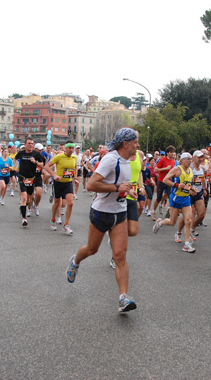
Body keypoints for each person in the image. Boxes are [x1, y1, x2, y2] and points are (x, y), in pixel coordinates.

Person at [66, 128, 140, 313]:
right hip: (102, 212)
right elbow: (91, 185)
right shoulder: (110, 159)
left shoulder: (126, 160)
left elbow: (120, 185)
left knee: (120, 255)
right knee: (92, 249)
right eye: (136, 142)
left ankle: (123, 298)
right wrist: (117, 187)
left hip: (120, 212)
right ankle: (75, 261)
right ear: (126, 144)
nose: (138, 146)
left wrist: (126, 190)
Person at [153, 152, 197, 253]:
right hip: (176, 198)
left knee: (188, 220)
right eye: (188, 159)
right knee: (172, 222)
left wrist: (192, 189)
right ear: (182, 160)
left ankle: (186, 244)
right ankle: (160, 223)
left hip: (186, 198)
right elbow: (165, 180)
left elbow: (188, 185)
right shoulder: (177, 169)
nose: (190, 161)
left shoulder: (190, 170)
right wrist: (177, 185)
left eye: (191, 159)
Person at [45, 143, 78, 234]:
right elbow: (47, 166)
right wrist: (54, 175)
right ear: (65, 149)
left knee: (70, 203)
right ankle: (53, 219)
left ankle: (66, 225)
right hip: (58, 182)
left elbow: (75, 167)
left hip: (68, 183)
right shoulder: (59, 156)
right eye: (69, 148)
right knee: (57, 203)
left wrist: (75, 178)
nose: (71, 150)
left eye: (72, 148)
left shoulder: (74, 158)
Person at [177, 150, 207, 242]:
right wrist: (189, 190)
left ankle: (192, 229)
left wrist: (204, 189)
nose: (201, 159)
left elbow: (203, 179)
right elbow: (184, 181)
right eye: (199, 157)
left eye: (202, 157)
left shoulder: (202, 168)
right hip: (189, 193)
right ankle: (179, 232)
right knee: (188, 216)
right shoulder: (190, 168)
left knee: (202, 214)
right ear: (193, 158)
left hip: (198, 193)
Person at [14, 137, 44, 227]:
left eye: (32, 143)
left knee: (29, 198)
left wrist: (35, 162)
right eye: (29, 143)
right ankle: (24, 219)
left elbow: (42, 164)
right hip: (22, 178)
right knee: (23, 197)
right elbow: (15, 159)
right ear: (25, 144)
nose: (30, 145)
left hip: (32, 178)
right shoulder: (21, 153)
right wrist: (16, 166)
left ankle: (25, 207)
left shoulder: (36, 154)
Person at [152, 146, 176, 221]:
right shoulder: (162, 160)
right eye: (171, 152)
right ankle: (154, 211)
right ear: (167, 153)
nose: (172, 154)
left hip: (169, 181)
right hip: (161, 181)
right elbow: (155, 169)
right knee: (159, 197)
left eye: (173, 152)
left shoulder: (173, 161)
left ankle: (169, 212)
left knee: (170, 197)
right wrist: (165, 168)